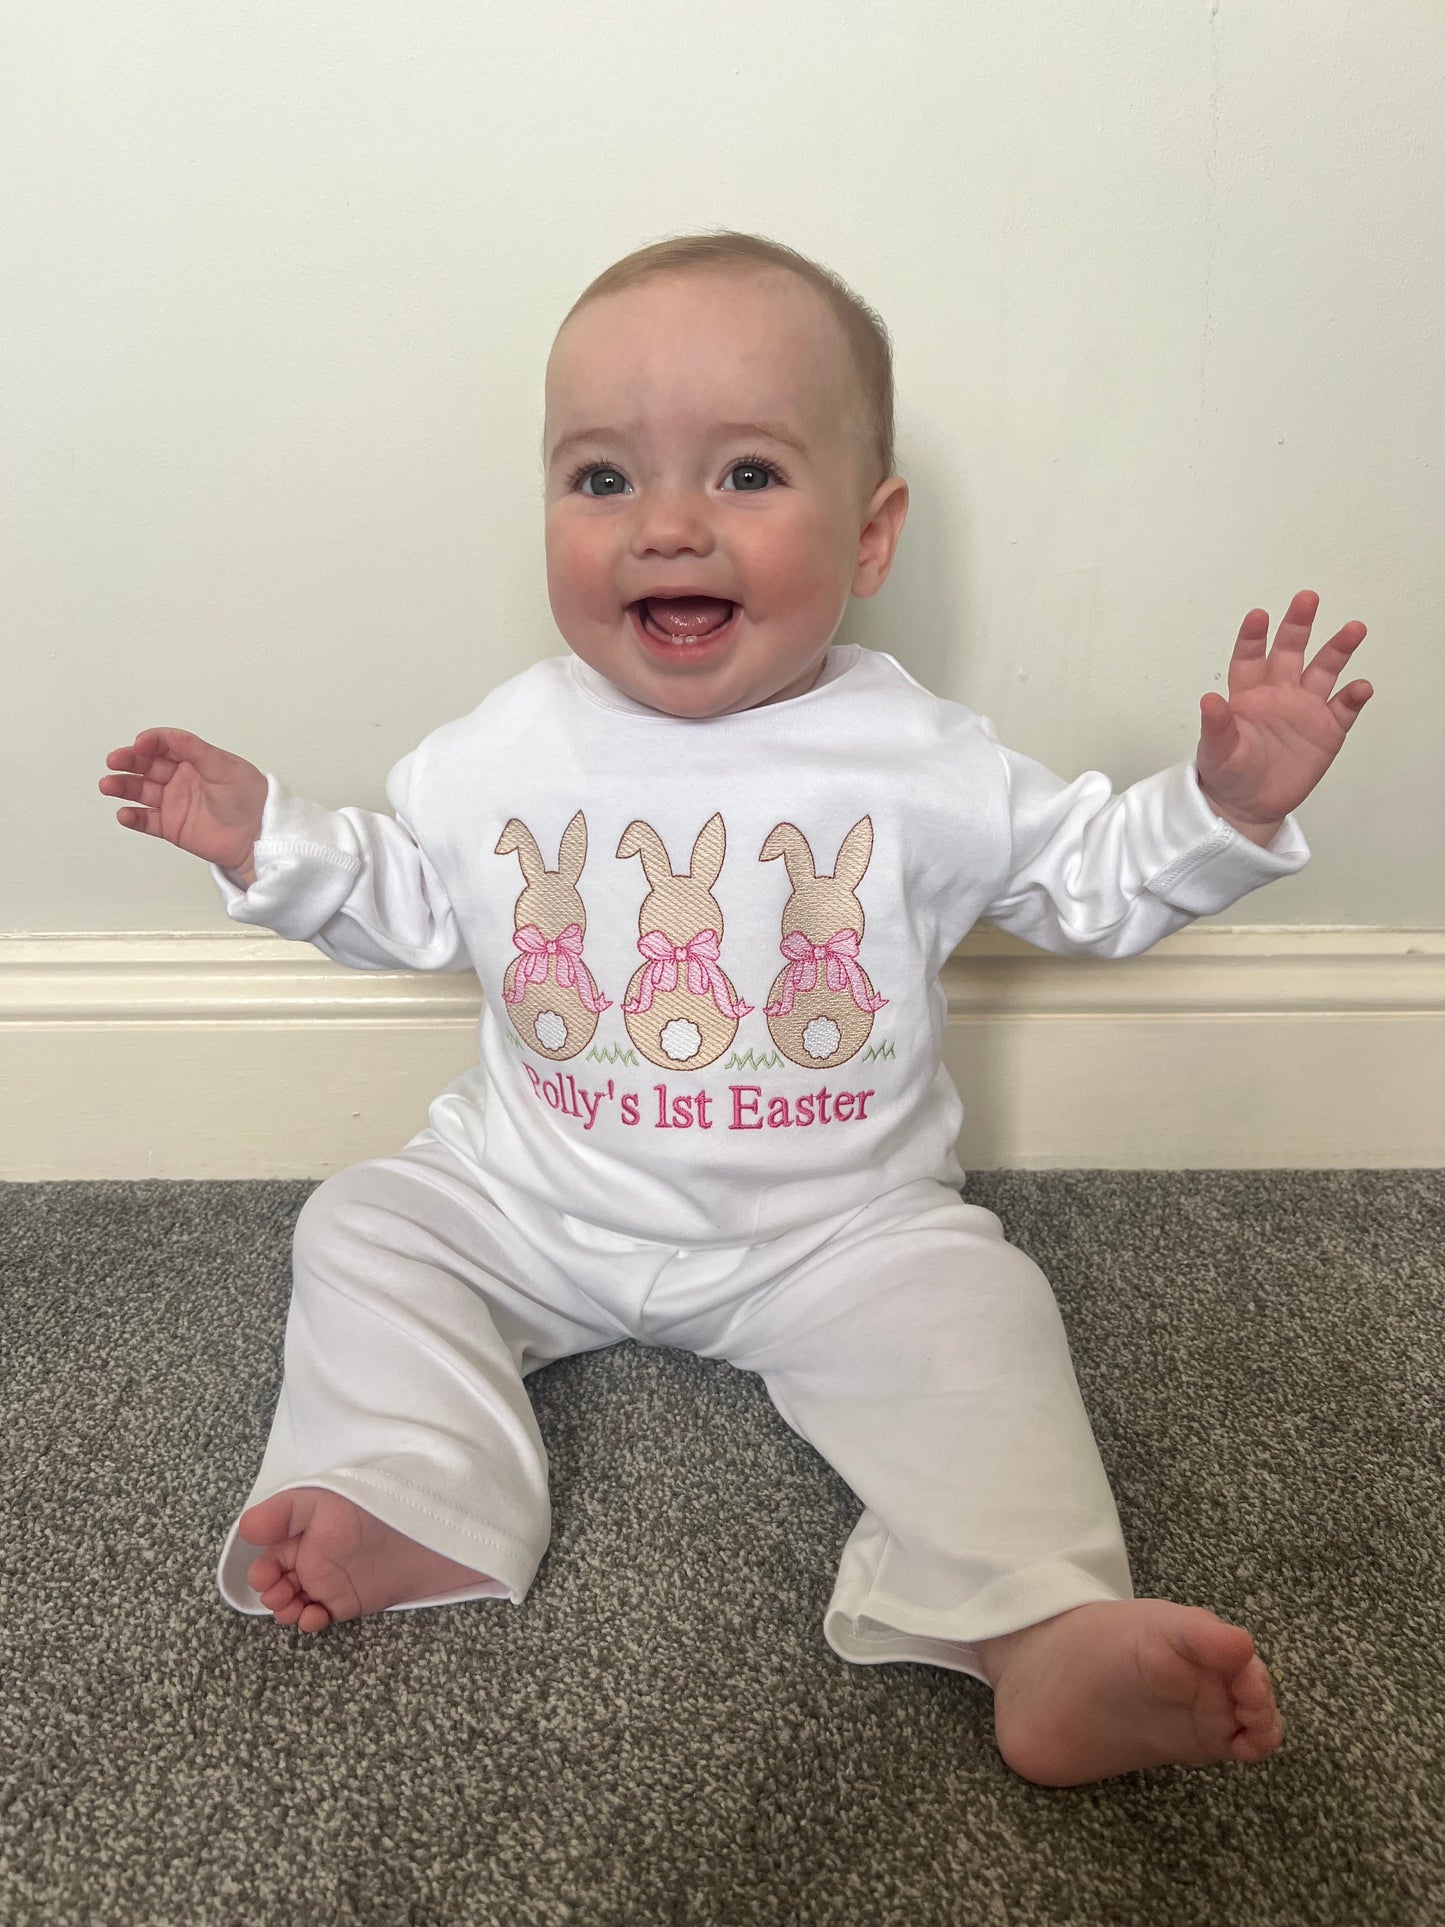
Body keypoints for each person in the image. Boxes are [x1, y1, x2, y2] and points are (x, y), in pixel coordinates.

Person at [99, 230, 1372, 1786]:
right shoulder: (503, 746)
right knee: (363, 1224)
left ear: (874, 530)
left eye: (750, 474)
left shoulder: (918, 757)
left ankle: (1032, 1623)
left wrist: (1219, 808)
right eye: (602, 480)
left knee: (984, 1316)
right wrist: (266, 837)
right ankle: (404, 1492)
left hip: (833, 1229)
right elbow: (410, 896)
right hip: (533, 1197)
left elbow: (1084, 882)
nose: (670, 526)